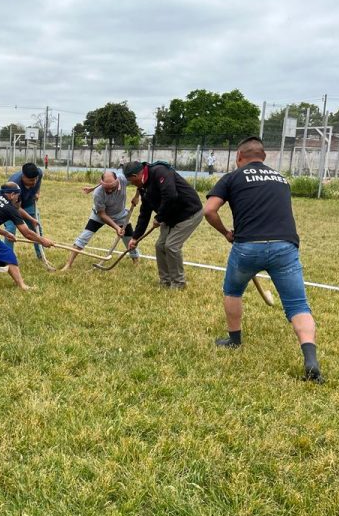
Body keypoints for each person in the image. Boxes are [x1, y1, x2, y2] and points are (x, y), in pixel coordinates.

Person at [204, 136, 323, 382]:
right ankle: (310, 360)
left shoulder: (232, 177)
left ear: (239, 157)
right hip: (285, 247)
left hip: (248, 246)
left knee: (233, 291)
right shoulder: (282, 179)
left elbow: (209, 210)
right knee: (298, 304)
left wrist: (226, 232)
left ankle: (234, 340)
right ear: (264, 158)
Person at [124, 160, 203, 289]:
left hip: (188, 212)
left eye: (131, 181)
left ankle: (178, 283)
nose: (132, 184)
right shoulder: (143, 186)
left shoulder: (160, 171)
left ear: (135, 176)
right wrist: (135, 237)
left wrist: (159, 218)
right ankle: (165, 281)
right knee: (160, 246)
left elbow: (171, 196)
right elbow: (144, 212)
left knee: (171, 246)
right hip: (170, 215)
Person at [61, 169, 140, 271]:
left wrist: (137, 196)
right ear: (101, 184)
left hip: (120, 215)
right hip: (99, 216)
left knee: (129, 238)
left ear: (117, 181)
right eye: (106, 188)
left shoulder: (123, 179)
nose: (110, 191)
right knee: (84, 236)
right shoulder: (98, 193)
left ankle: (136, 261)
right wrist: (116, 227)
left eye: (112, 187)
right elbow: (102, 214)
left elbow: (139, 180)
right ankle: (68, 264)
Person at [3, 162, 45, 259]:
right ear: (23, 176)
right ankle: (8, 258)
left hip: (29, 203)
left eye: (35, 179)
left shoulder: (38, 173)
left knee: (36, 229)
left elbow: (38, 183)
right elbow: (17, 209)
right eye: (30, 180)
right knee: (10, 231)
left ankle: (41, 256)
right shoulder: (13, 185)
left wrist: (37, 192)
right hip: (11, 207)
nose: (34, 182)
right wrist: (31, 218)